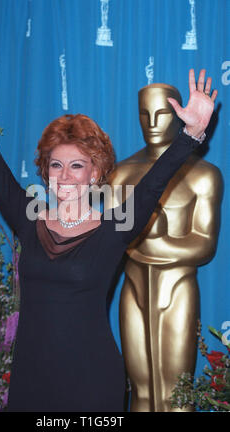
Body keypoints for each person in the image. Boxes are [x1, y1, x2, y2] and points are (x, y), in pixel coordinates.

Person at [0, 36, 217, 412]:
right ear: (45, 171)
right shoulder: (28, 217)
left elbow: (153, 183)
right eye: (56, 165)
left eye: (76, 166)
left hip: (91, 381)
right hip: (30, 380)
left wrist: (190, 135)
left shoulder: (114, 226)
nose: (65, 176)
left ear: (96, 173)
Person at [108, 83, 223, 411]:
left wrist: (148, 244)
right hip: (133, 288)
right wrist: (144, 244)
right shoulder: (120, 175)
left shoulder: (204, 176)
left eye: (161, 114)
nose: (152, 123)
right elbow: (113, 237)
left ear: (176, 116)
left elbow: (204, 245)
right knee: (140, 389)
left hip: (178, 289)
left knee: (177, 394)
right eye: (144, 115)